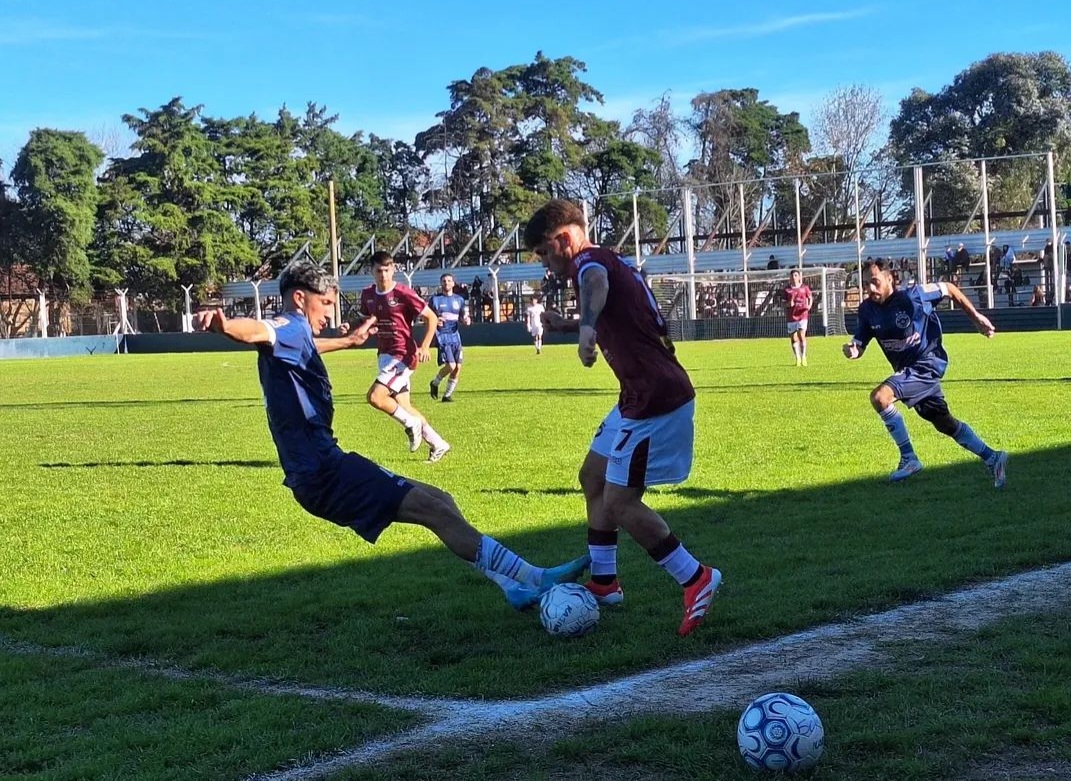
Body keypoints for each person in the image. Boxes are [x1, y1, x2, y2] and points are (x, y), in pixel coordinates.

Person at [192, 258, 589, 610]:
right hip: (323, 474)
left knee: (441, 499)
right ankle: (534, 578)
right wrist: (225, 324)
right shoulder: (286, 326)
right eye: (326, 303)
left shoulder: (298, 333)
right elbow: (258, 331)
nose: (331, 313)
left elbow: (304, 344)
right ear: (300, 298)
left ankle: (511, 584)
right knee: (434, 510)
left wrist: (347, 342)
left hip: (323, 468)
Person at [524, 198, 721, 638]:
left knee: (619, 502)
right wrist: (569, 326)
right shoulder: (606, 261)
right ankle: (605, 581)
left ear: (564, 239)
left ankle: (696, 578)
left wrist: (588, 327)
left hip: (655, 398)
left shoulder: (590, 262)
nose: (544, 262)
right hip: (636, 394)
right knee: (592, 476)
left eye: (543, 251)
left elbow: (594, 283)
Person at [842, 259, 1007, 487]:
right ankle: (993, 457)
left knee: (880, 397)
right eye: (865, 284)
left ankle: (909, 458)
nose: (870, 288)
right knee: (945, 424)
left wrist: (976, 318)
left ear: (890, 279)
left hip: (927, 364)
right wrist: (853, 349)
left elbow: (948, 288)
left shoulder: (914, 296)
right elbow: (859, 343)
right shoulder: (867, 310)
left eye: (874, 282)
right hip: (908, 372)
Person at [359, 251, 451, 463]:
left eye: (387, 270)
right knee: (405, 406)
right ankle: (438, 443)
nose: (384, 275)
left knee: (375, 397)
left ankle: (411, 424)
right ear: (371, 271)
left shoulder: (403, 293)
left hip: (403, 355)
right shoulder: (368, 295)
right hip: (384, 355)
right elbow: (366, 321)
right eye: (379, 271)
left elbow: (431, 317)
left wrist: (426, 346)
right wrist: (351, 328)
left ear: (393, 270)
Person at [427, 273, 470, 402]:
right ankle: (435, 382)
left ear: (453, 283)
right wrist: (435, 319)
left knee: (458, 368)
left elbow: (462, 318)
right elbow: (426, 317)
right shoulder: (435, 299)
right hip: (443, 336)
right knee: (451, 365)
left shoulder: (459, 300)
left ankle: (447, 395)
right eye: (444, 281)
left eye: (449, 281)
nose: (446, 283)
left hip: (455, 336)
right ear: (441, 283)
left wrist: (466, 320)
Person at [783, 269, 813, 367]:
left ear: (799, 277)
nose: (794, 277)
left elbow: (810, 297)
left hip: (802, 314)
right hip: (791, 316)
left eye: (796, 275)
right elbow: (784, 303)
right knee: (793, 338)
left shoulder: (804, 288)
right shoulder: (787, 289)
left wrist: (809, 306)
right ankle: (797, 358)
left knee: (801, 335)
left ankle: (804, 356)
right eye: (792, 276)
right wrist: (789, 303)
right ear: (790, 278)